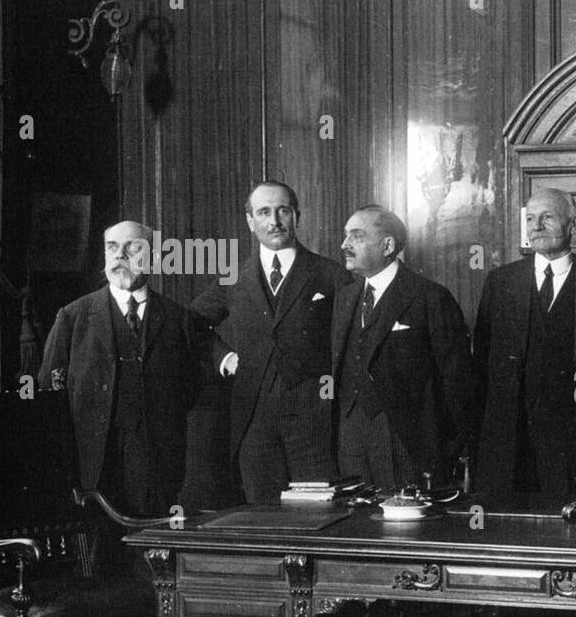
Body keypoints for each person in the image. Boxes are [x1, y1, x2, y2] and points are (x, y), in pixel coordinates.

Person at [190, 180, 349, 503]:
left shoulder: (330, 274)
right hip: (253, 422)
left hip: (315, 423)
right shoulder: (234, 277)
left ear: (297, 217)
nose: (274, 221)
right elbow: (191, 324)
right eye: (264, 212)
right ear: (250, 222)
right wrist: (225, 359)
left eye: (283, 211)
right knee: (262, 519)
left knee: (319, 516)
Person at [473, 188, 576, 501]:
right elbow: (482, 366)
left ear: (574, 225)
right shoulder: (500, 283)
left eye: (547, 217)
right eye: (530, 218)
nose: (536, 226)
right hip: (508, 448)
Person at [39, 220, 199, 517]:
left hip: (157, 470)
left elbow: (189, 393)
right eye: (112, 247)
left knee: (152, 555)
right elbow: (49, 394)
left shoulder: (177, 319)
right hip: (92, 473)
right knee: (101, 559)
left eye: (132, 247)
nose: (119, 255)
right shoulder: (73, 317)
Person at [332, 205, 475, 489]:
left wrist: (446, 451)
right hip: (350, 438)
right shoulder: (345, 298)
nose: (344, 245)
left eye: (357, 236)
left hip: (408, 442)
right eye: (346, 235)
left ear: (388, 245)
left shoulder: (430, 297)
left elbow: (457, 382)